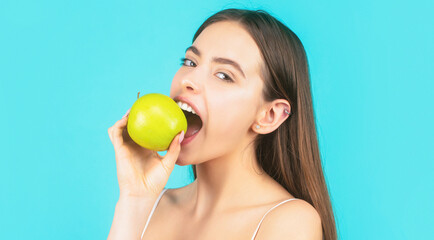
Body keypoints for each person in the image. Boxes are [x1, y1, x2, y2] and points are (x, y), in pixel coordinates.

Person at [107, 8, 337, 240]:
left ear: (269, 116)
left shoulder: (289, 222)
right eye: (190, 62)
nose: (189, 79)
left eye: (224, 75)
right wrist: (134, 199)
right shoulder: (148, 205)